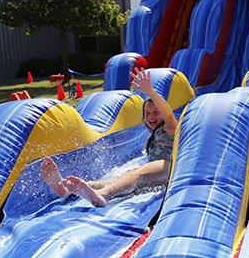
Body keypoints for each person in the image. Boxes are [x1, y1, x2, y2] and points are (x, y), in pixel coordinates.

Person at [40, 69, 177, 207]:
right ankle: (66, 188)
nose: (151, 116)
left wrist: (151, 92)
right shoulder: (155, 134)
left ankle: (103, 195)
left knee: (136, 174)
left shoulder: (169, 128)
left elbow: (169, 116)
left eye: (155, 112)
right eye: (147, 113)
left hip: (169, 169)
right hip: (156, 173)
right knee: (118, 179)